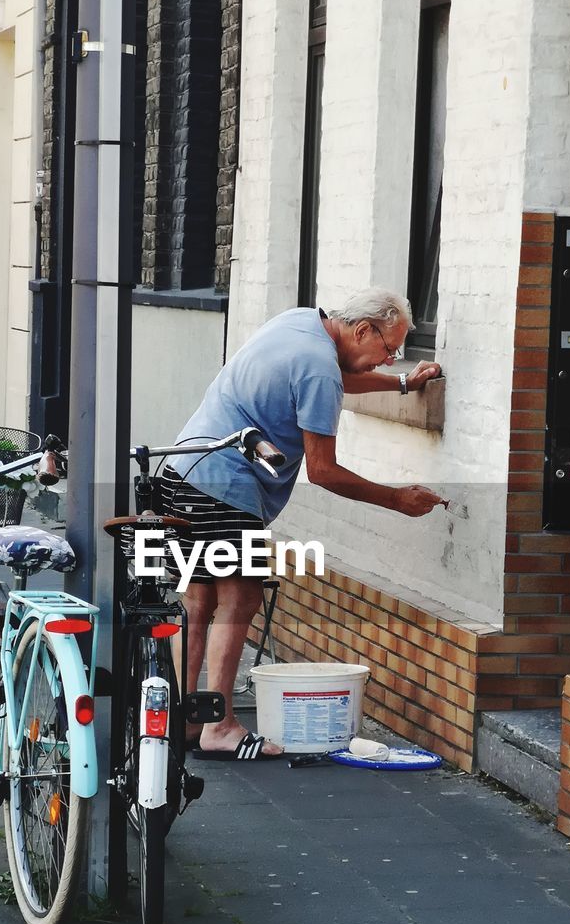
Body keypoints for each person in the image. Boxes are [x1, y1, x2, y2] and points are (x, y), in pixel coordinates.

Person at [162, 288, 445, 760]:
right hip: (227, 486)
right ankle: (219, 726)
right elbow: (324, 470)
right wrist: (395, 498)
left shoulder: (300, 324)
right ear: (362, 330)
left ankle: (186, 719)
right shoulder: (319, 368)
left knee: (198, 598)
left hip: (185, 466)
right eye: (388, 349)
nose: (389, 358)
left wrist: (400, 384)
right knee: (241, 596)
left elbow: (337, 376)